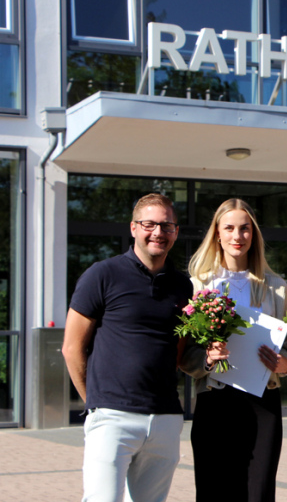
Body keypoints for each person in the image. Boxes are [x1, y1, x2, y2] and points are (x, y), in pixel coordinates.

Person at [62, 193, 193, 502]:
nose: (158, 232)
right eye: (150, 224)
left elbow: (178, 347)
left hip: (165, 418)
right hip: (112, 417)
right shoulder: (102, 274)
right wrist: (96, 403)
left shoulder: (182, 285)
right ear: (134, 228)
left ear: (175, 231)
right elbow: (71, 347)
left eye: (167, 225)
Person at [179, 198, 287, 502]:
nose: (237, 236)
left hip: (262, 401)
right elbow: (185, 353)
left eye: (245, 229)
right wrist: (206, 359)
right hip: (215, 399)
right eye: (229, 228)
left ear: (253, 234)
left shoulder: (276, 287)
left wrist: (286, 364)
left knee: (258, 492)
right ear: (217, 233)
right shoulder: (197, 286)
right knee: (214, 490)